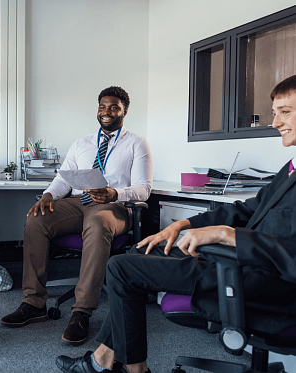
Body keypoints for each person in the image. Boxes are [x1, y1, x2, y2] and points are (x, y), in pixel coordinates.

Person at [55, 75, 296, 373]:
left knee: (120, 268)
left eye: (284, 112)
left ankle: (125, 367)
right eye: (274, 112)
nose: (275, 122)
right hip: (242, 263)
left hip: (259, 278)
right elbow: (245, 211)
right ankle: (103, 359)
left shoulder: (136, 143)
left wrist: (228, 236)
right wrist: (182, 225)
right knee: (143, 251)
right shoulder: (291, 170)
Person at [1, 86, 154, 346]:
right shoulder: (82, 143)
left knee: (96, 222)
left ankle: (81, 311)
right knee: (36, 219)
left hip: (114, 206)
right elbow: (63, 178)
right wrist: (49, 194)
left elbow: (144, 189)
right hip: (77, 201)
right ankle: (33, 302)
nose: (107, 112)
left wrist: (114, 193)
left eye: (114, 107)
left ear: (124, 110)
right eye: (103, 106)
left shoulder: (137, 143)